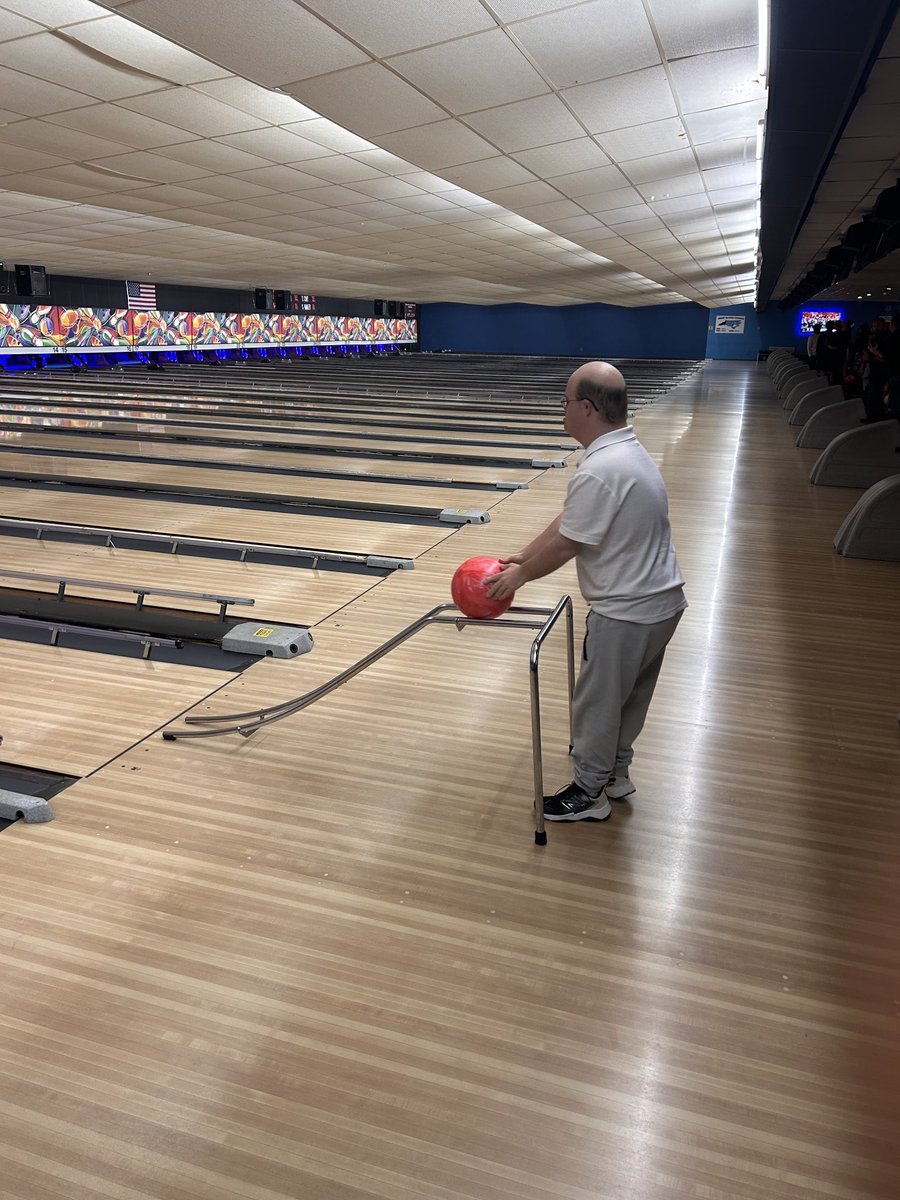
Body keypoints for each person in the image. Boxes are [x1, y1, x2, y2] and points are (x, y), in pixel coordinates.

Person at [487, 361, 687, 823]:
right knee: (628, 698)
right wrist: (524, 555)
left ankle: (589, 791)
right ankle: (614, 774)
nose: (562, 409)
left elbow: (569, 542)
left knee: (596, 703)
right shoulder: (622, 452)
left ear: (587, 407)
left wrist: (518, 578)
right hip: (661, 604)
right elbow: (569, 521)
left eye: (565, 401)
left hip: (627, 610)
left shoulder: (602, 467)